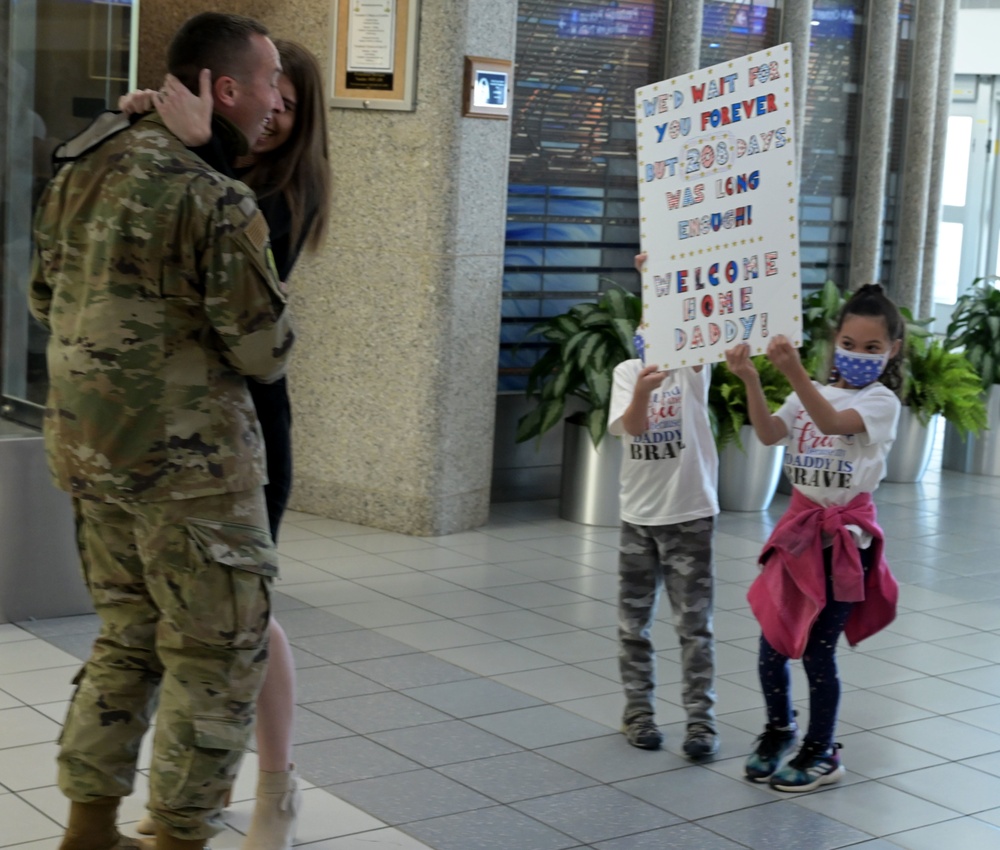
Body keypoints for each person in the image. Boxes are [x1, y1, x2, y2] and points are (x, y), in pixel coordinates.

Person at [30, 12, 293, 850]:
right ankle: (178, 836)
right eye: (270, 79)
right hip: (195, 473)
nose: (278, 98)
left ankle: (88, 828)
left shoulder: (82, 161)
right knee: (213, 663)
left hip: (92, 452)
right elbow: (264, 348)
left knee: (125, 643)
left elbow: (43, 296)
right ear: (224, 89)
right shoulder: (214, 193)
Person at [121, 40, 330, 850]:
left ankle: (275, 789)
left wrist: (196, 144)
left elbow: (234, 292)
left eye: (289, 101)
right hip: (182, 429)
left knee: (249, 617)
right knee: (198, 620)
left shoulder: (278, 194)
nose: (274, 111)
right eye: (268, 93)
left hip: (249, 427)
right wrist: (149, 123)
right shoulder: (217, 163)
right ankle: (201, 794)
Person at [724, 283, 903, 792]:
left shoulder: (881, 402)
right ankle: (780, 729)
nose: (859, 356)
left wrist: (794, 372)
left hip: (845, 543)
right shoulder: (810, 391)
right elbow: (767, 433)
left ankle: (822, 751)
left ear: (892, 350)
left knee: (819, 652)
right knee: (772, 643)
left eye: (873, 348)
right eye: (849, 343)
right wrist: (751, 379)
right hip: (798, 537)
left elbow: (831, 421)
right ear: (834, 342)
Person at [607, 253, 720, 758]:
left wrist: (664, 278)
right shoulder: (628, 372)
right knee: (634, 624)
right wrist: (643, 395)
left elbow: (697, 314)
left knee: (694, 626)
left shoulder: (694, 370)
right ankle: (639, 714)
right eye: (646, 321)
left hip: (689, 517)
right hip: (639, 519)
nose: (653, 331)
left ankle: (701, 723)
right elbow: (631, 427)